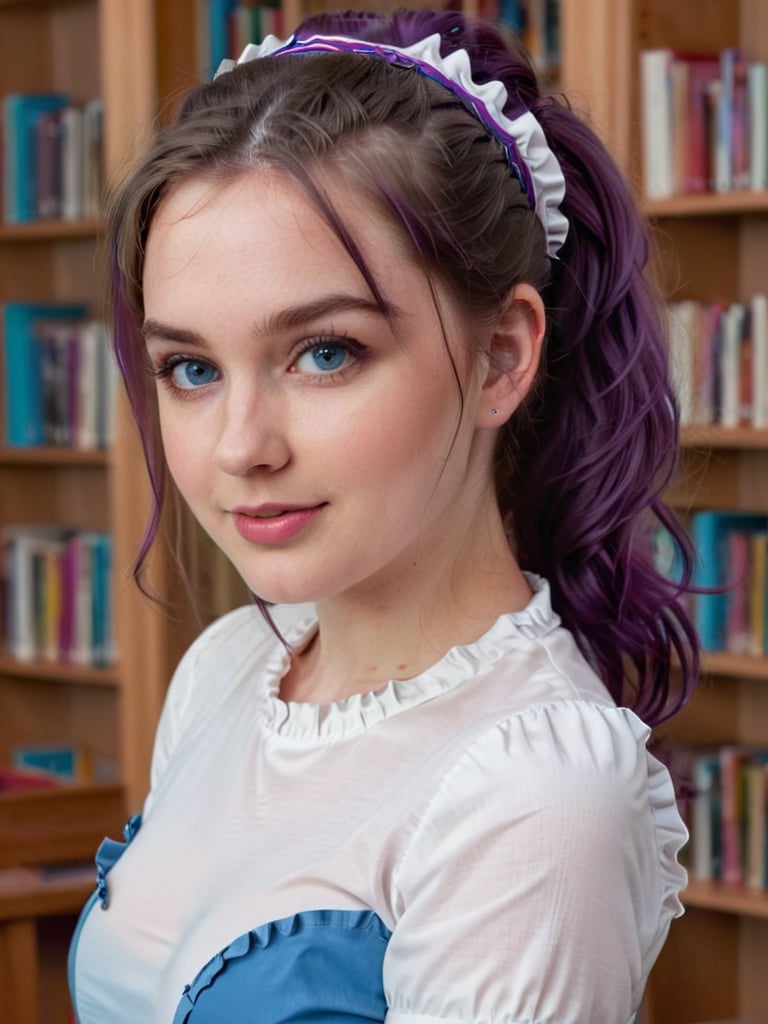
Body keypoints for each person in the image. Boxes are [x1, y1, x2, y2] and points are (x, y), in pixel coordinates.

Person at [68, 7, 699, 1022]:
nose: (241, 445)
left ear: (502, 356)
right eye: (189, 368)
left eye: (326, 352)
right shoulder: (226, 671)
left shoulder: (536, 792)